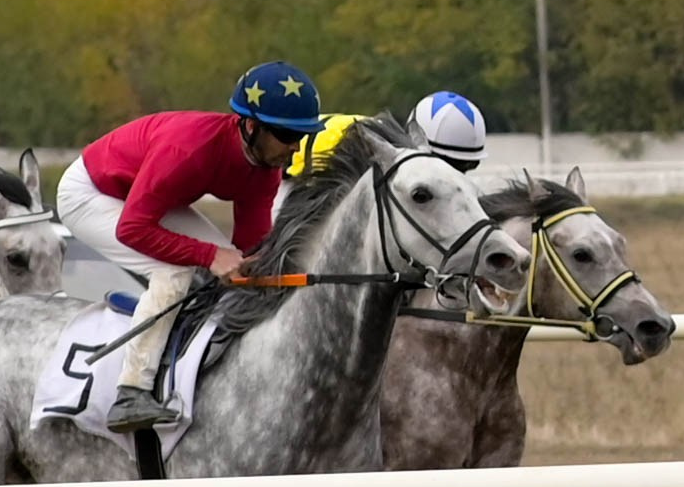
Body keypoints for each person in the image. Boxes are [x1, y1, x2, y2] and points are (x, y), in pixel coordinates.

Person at [56, 60, 327, 433]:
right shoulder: (190, 150)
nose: (294, 149)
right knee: (175, 270)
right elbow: (133, 229)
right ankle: (130, 391)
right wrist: (209, 256)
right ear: (250, 126)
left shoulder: (265, 165)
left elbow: (250, 248)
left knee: (239, 271)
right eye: (286, 135)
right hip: (91, 193)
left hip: (142, 197)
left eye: (302, 136)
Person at [289, 89, 489, 178]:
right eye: (452, 167)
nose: (456, 176)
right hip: (285, 173)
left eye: (466, 168)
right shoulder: (367, 161)